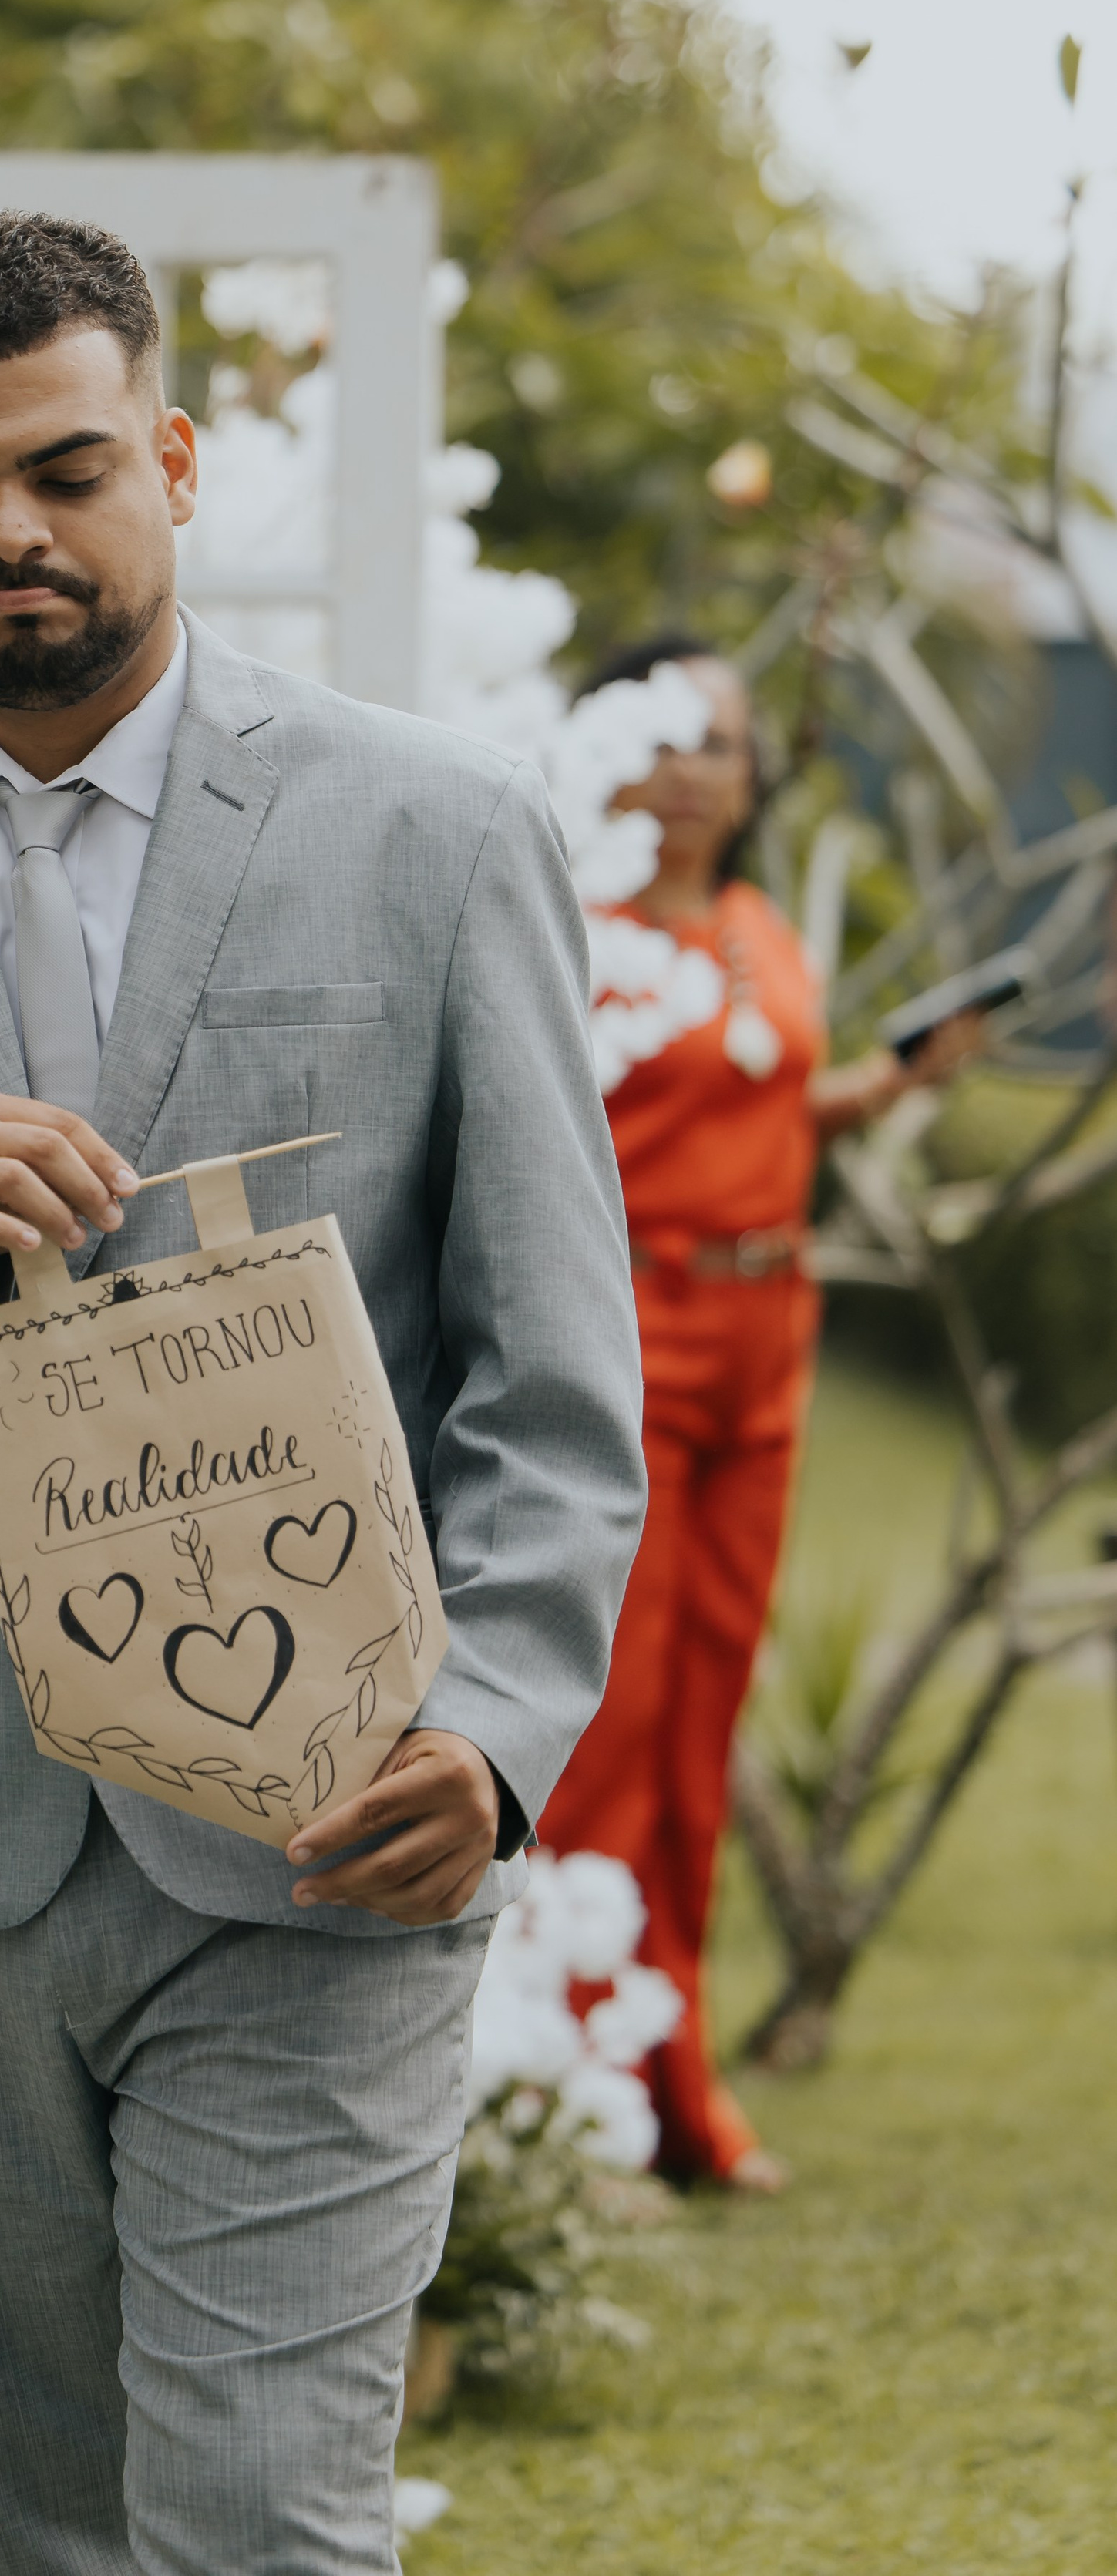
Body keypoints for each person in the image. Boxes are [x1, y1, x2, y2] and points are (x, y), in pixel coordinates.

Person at [0, 212, 646, 2576]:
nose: (15, 533)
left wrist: (489, 1725)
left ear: (172, 456)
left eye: (67, 469)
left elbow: (556, 1375)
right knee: (26, 2538)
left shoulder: (437, 831)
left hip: (321, 1826)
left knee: (265, 2530)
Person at [538, 636, 977, 2193]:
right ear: (612, 748)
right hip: (634, 1344)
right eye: (671, 740)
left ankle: (674, 2078)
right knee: (613, 1730)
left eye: (723, 745)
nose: (697, 770)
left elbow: (760, 1104)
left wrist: (890, 1082)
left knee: (702, 1730)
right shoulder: (565, 928)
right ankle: (576, 2095)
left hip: (764, 1343)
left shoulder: (747, 928)